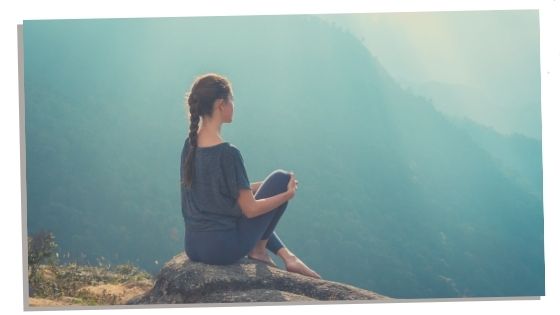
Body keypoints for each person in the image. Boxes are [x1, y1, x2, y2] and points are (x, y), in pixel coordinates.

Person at [180, 73, 321, 279]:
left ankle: (288, 257)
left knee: (267, 188)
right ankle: (258, 250)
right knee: (282, 179)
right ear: (221, 104)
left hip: (193, 246)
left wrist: (260, 186)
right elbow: (251, 209)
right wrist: (285, 195)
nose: (233, 105)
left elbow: (215, 191)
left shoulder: (190, 145)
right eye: (232, 99)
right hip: (222, 250)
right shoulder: (228, 153)